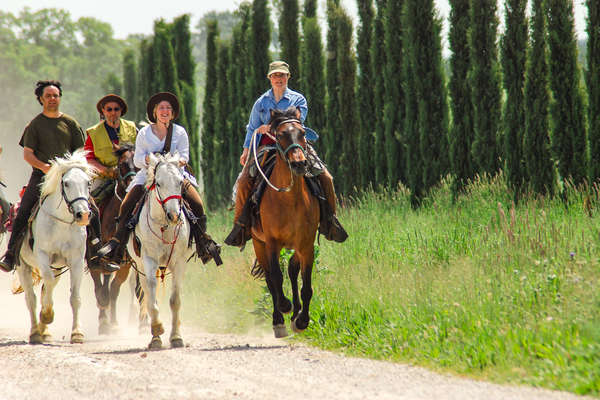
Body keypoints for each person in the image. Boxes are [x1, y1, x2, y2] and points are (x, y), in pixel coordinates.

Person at [225, 61, 347, 247]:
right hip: (268, 147)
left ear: (288, 77)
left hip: (294, 144)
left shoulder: (298, 99)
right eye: (275, 75)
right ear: (269, 78)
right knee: (243, 181)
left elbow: (296, 121)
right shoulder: (261, 102)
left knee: (326, 177)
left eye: (282, 75)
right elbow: (252, 128)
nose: (278, 79)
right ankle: (240, 226)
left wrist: (271, 126)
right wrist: (246, 150)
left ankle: (330, 221)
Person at [96, 92, 218, 269]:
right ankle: (117, 246)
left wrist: (176, 161)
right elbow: (137, 159)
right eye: (161, 108)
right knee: (126, 205)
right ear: (154, 112)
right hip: (148, 176)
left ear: (173, 113)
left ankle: (202, 244)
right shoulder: (144, 133)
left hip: (175, 176)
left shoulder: (180, 132)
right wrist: (149, 160)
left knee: (197, 204)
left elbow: (185, 156)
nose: (165, 111)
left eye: (168, 108)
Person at [0, 80, 89, 272]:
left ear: (60, 98)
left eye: (55, 95)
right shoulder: (35, 125)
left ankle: (96, 250)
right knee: (23, 211)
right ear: (41, 99)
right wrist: (45, 167)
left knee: (92, 208)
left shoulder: (70, 123)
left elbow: (80, 150)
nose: (52, 99)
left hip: (68, 176)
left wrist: (71, 167)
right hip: (42, 176)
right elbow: (28, 154)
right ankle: (11, 254)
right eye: (48, 96)